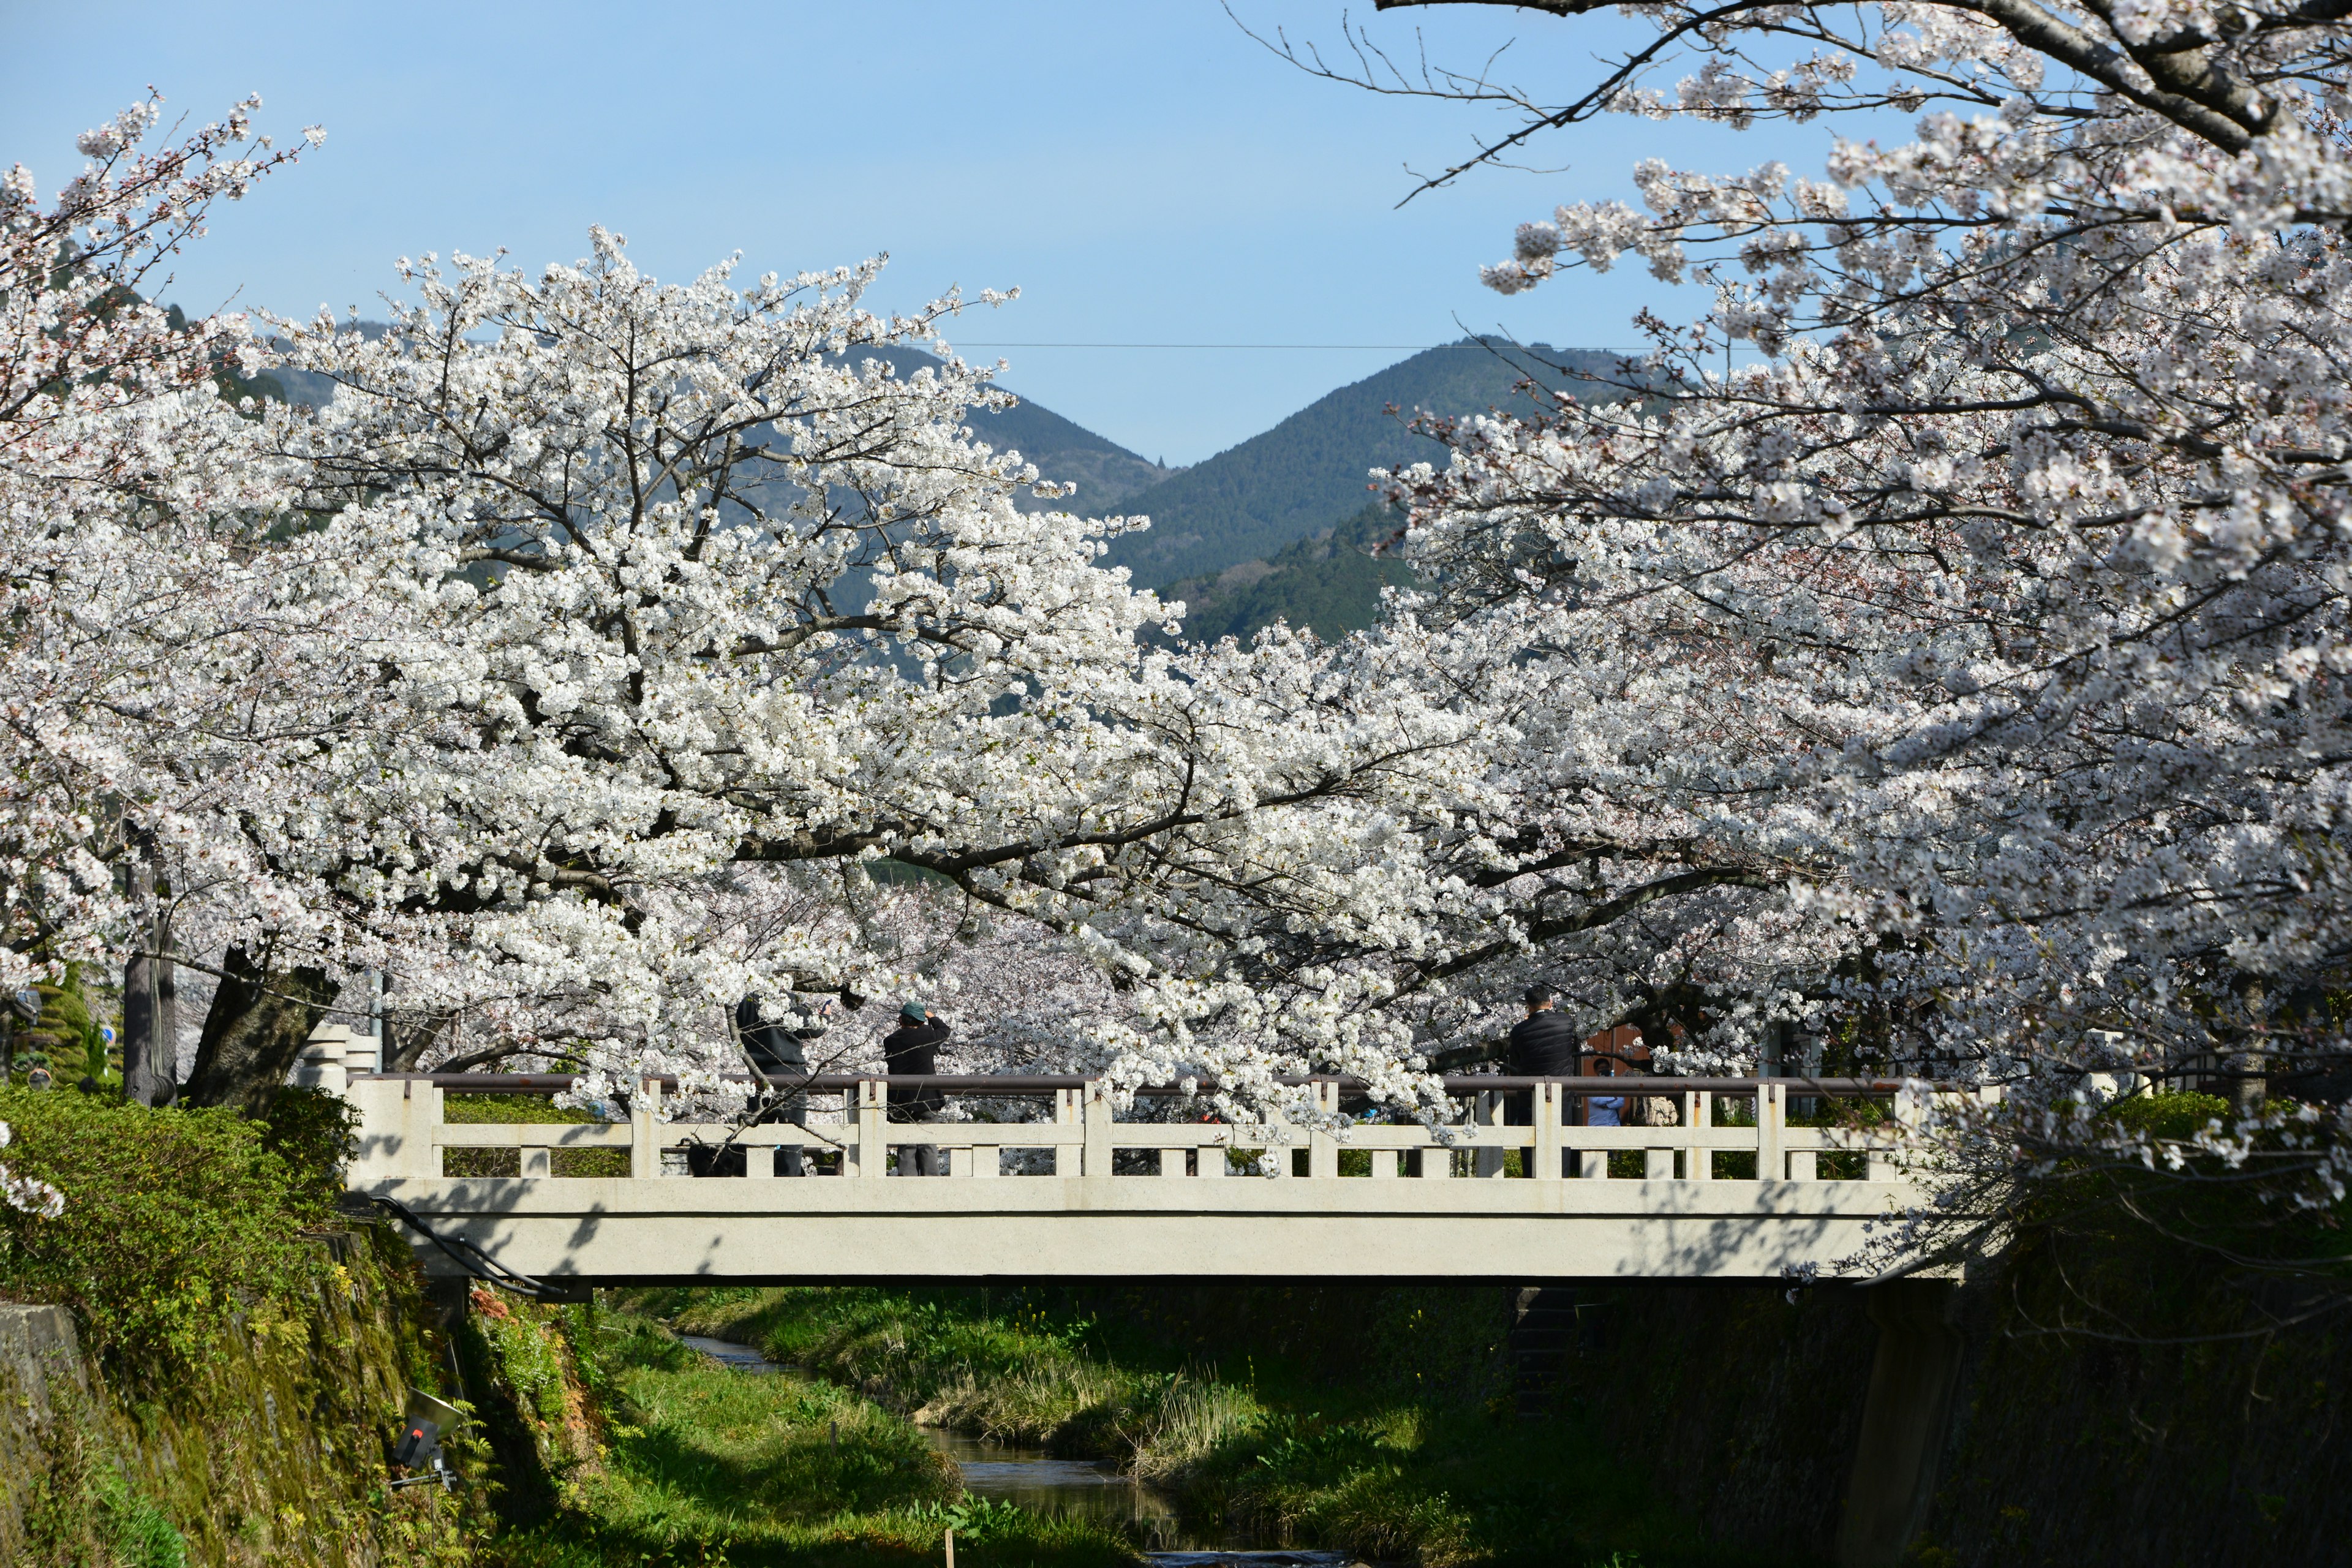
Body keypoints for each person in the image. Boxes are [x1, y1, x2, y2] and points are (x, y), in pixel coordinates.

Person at [736, 995, 829, 1176]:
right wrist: (825, 1016)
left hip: (757, 1073)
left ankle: (758, 1180)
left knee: (759, 1133)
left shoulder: (746, 1002)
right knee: (792, 1135)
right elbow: (814, 1028)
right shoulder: (787, 999)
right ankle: (790, 1182)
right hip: (790, 1073)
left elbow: (739, 1028)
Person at [1507, 984, 1580, 1175]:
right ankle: (1561, 1180)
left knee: (1531, 1142)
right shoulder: (1566, 1022)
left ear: (1528, 1006)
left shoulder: (1519, 1031)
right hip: (1561, 1093)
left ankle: (1532, 1181)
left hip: (1529, 1095)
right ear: (1551, 1002)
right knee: (1561, 1140)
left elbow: (1515, 1062)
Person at [882, 1000, 949, 1176]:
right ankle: (930, 1187)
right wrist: (931, 1016)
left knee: (906, 1145)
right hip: (928, 1098)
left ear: (901, 1020)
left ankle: (906, 1188)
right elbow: (945, 1030)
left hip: (901, 1100)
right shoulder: (927, 1035)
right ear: (921, 1022)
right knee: (928, 1144)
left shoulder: (890, 1041)